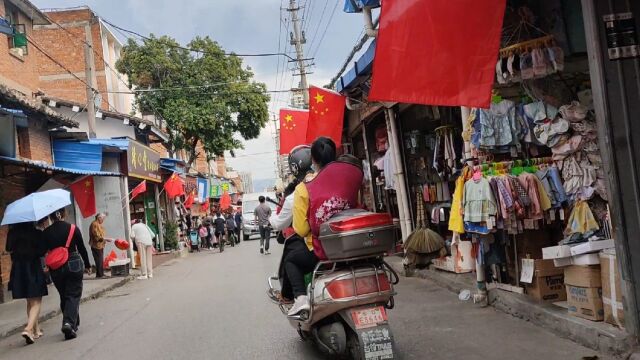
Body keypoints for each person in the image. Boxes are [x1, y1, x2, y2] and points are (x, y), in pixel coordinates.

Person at [288, 137, 363, 316]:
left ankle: (300, 299)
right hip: (355, 242)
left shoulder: (304, 188)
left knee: (291, 260)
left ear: (313, 160)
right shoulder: (350, 175)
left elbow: (301, 230)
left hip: (325, 249)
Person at [269, 145, 312, 304]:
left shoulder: (296, 194)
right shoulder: (333, 181)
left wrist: (272, 215)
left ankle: (295, 297)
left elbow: (279, 224)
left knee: (291, 259)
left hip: (316, 243)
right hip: (337, 238)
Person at [43, 208, 91, 340]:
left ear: (51, 217)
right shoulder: (73, 228)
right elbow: (81, 247)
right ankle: (69, 323)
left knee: (65, 295)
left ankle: (72, 323)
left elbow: (43, 251)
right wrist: (87, 265)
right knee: (73, 294)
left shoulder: (46, 232)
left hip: (56, 267)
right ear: (64, 213)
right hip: (73, 263)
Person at [6, 222, 48, 344]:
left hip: (18, 269)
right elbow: (41, 252)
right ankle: (28, 329)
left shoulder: (12, 233)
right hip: (33, 267)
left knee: (30, 301)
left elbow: (8, 249)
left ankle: (36, 330)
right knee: (37, 300)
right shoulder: (36, 233)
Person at [89, 213, 112, 278]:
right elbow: (97, 236)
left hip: (100, 245)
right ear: (99, 218)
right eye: (103, 219)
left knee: (100, 260)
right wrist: (106, 239)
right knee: (99, 260)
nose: (103, 220)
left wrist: (105, 239)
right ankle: (100, 275)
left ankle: (101, 273)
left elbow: (101, 235)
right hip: (96, 245)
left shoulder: (98, 224)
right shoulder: (94, 224)